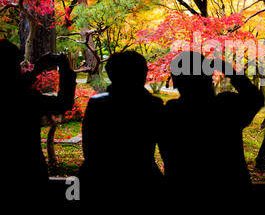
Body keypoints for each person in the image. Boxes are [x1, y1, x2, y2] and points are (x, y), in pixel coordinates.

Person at [158, 51, 264, 202]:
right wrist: (231, 72)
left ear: (176, 81)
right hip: (231, 190)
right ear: (209, 77)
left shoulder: (170, 113)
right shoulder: (226, 107)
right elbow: (256, 98)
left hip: (182, 193)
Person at [78, 51, 164, 202]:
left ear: (112, 74)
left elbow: (89, 149)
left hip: (97, 180)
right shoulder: (153, 105)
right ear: (142, 74)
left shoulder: (97, 105)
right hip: (144, 179)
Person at [0, 39, 76, 203]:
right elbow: (63, 103)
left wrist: (36, 71)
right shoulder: (26, 99)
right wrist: (65, 70)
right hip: (29, 168)